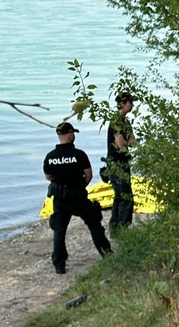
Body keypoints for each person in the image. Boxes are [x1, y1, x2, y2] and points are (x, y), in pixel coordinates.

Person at [43, 121, 112, 274]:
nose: (73, 135)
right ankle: (106, 254)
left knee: (59, 231)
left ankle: (59, 265)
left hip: (60, 199)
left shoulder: (50, 157)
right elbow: (88, 175)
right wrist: (79, 186)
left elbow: (49, 176)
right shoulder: (79, 154)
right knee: (94, 223)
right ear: (69, 135)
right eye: (72, 133)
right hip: (78, 196)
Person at [107, 92, 137, 232]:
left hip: (123, 162)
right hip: (117, 163)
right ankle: (121, 228)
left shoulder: (125, 122)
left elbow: (133, 140)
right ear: (123, 103)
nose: (133, 105)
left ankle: (116, 227)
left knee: (121, 195)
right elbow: (121, 144)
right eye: (131, 102)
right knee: (125, 196)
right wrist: (126, 143)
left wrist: (128, 142)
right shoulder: (116, 121)